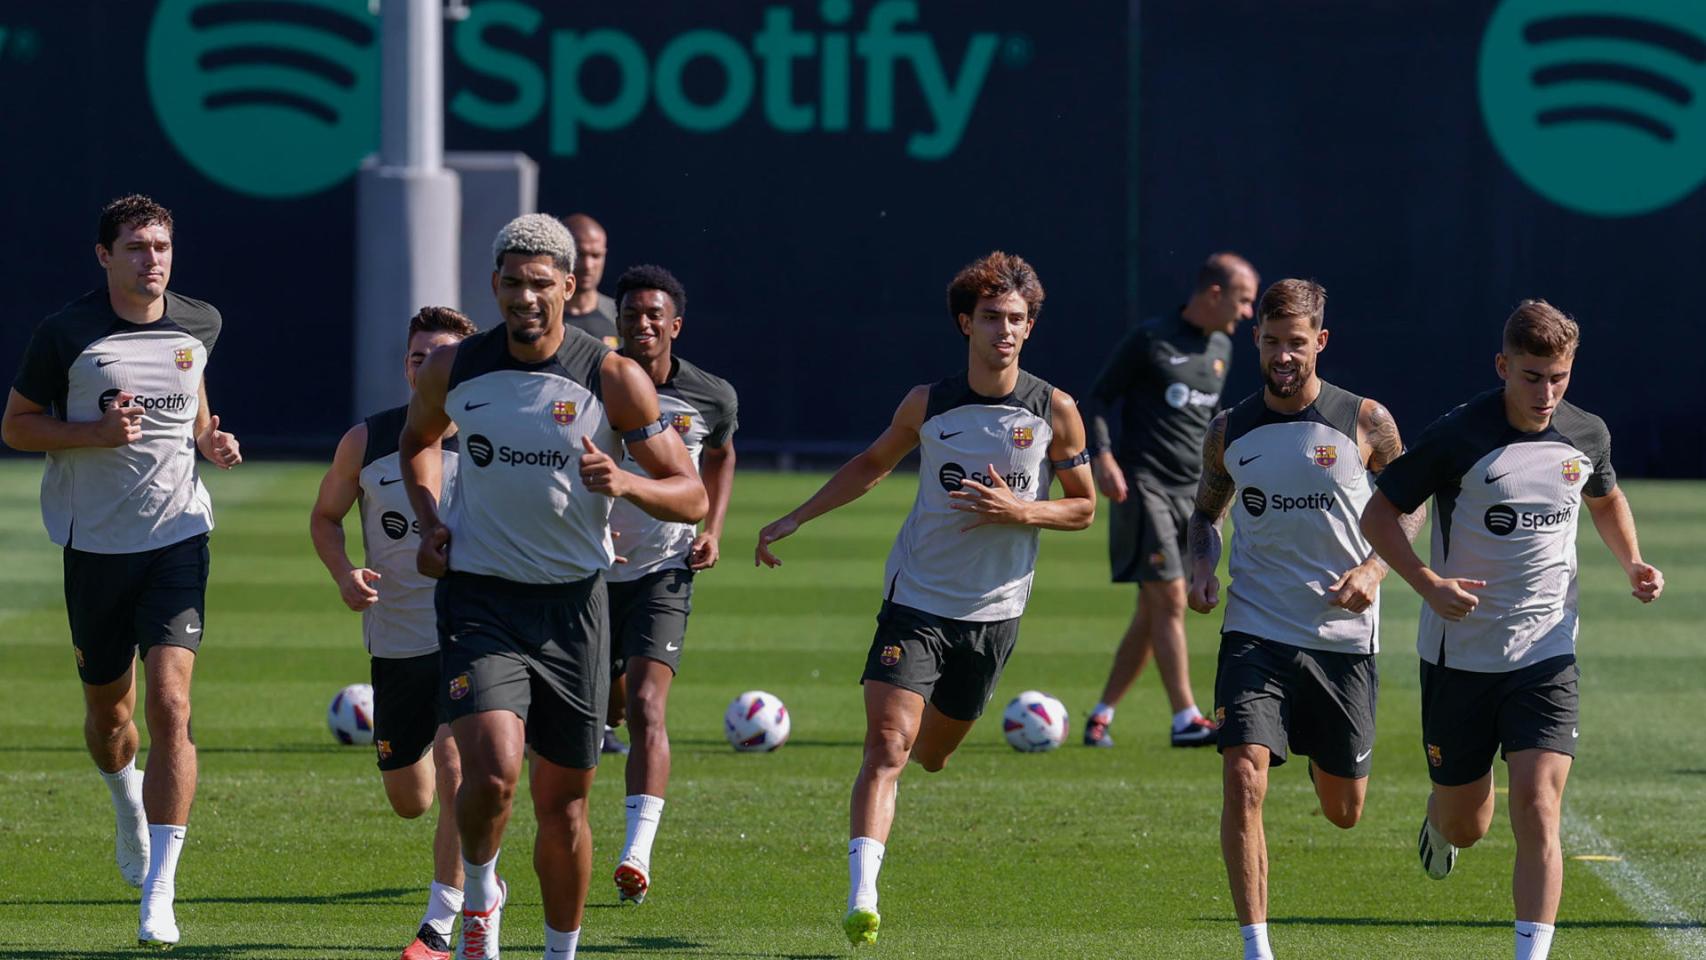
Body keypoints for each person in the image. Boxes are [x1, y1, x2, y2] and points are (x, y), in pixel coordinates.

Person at [754, 251, 1095, 947]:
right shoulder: (928, 403)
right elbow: (872, 465)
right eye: (993, 318)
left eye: (1018, 320)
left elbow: (1085, 509)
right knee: (886, 744)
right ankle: (862, 895)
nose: (1005, 331)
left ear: (1031, 329)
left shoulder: (1054, 409)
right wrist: (795, 515)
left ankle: (899, 812)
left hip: (995, 613)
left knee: (932, 754)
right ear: (966, 323)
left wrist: (1021, 511)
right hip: (916, 602)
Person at [397, 214, 705, 960]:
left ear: (570, 287)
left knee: (563, 805)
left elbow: (691, 496)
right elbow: (415, 446)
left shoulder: (611, 376)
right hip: (479, 600)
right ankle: (478, 897)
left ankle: (560, 953)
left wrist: (625, 481)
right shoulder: (455, 370)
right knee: (496, 772)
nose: (525, 297)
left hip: (574, 608)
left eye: (542, 284)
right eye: (512, 282)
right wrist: (432, 518)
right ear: (495, 285)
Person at [1360, 299, 1664, 960]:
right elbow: (1378, 515)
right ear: (1503, 367)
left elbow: (1605, 497)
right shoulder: (1457, 436)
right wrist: (1426, 583)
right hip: (1458, 658)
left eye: (1558, 377)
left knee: (1538, 806)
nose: (1547, 392)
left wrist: (1632, 560)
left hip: (1546, 653)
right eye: (1532, 376)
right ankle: (1439, 825)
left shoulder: (1586, 435)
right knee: (1469, 825)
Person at [1, 194, 241, 949]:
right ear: (104, 255)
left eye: (163, 245)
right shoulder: (65, 333)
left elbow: (194, 402)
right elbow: (15, 426)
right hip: (95, 547)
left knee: (172, 705)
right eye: (137, 246)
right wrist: (93, 433)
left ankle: (161, 892)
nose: (153, 259)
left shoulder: (200, 322)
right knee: (112, 721)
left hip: (178, 538)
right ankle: (125, 804)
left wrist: (211, 438)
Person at [1188, 280, 1423, 960]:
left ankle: (1325, 763)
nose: (1283, 355)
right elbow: (1206, 514)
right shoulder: (1229, 431)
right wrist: (1203, 566)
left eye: (1297, 342)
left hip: (1343, 639)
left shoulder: (1363, 420)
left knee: (1344, 811)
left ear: (1320, 342)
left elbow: (1410, 504)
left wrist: (1375, 572)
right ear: (1254, 341)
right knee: (1243, 774)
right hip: (1255, 630)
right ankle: (1256, 946)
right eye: (1271, 342)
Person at [309, 306, 480, 960]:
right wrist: (343, 572)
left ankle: (446, 916)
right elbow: (326, 518)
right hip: (396, 642)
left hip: (474, 633)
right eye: (417, 357)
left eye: (441, 356)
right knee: (411, 799)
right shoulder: (368, 439)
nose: (428, 366)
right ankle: (476, 854)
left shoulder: (494, 438)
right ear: (407, 365)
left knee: (459, 764)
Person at [601, 265, 738, 905]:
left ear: (674, 325)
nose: (643, 324)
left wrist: (711, 525)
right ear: (618, 323)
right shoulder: (589, 384)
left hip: (665, 570)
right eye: (631, 315)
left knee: (649, 708)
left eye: (655, 315)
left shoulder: (712, 396)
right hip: (586, 571)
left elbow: (721, 455)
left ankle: (637, 852)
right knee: (605, 706)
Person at [1081, 252, 1258, 748]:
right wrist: (1104, 457)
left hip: (1194, 492)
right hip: (1145, 486)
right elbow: (1097, 398)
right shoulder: (1150, 339)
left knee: (1153, 611)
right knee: (1170, 600)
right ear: (1215, 293)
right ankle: (1186, 718)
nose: (1248, 314)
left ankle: (1101, 713)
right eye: (1244, 300)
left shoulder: (1222, 344)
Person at [561, 213, 619, 349]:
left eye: (596, 255)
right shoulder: (541, 317)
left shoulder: (621, 317)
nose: (588, 265)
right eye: (579, 254)